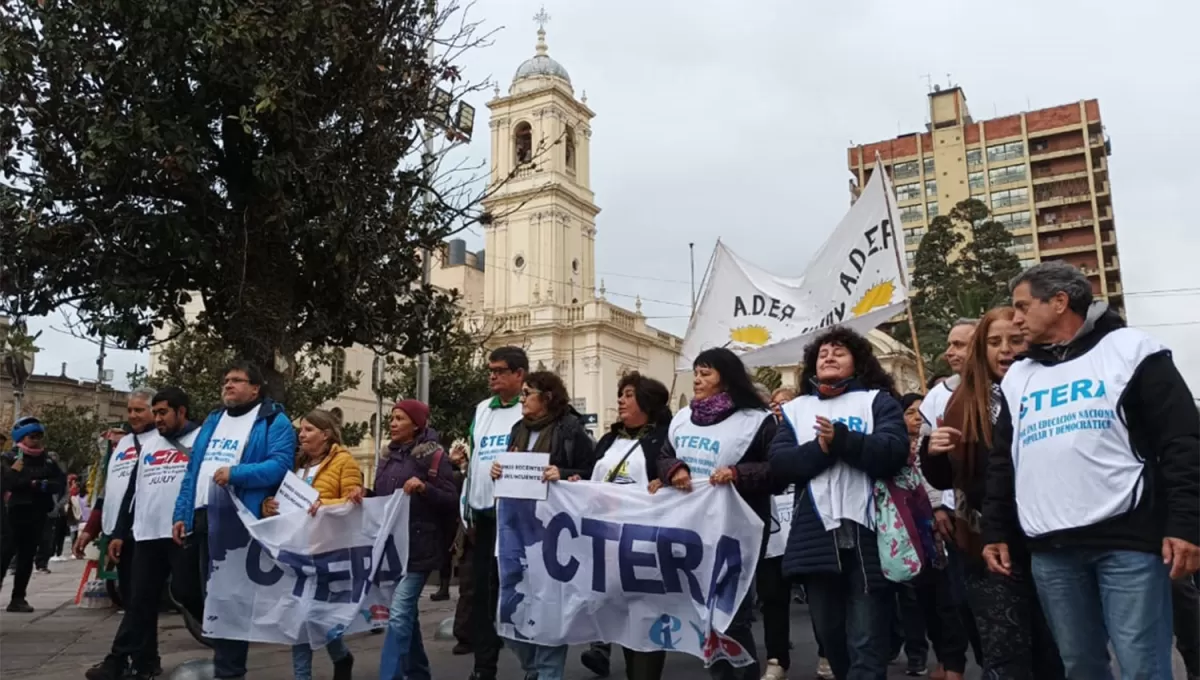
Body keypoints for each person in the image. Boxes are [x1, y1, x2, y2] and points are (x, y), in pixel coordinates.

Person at [983, 262, 1200, 679]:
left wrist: (1186, 525)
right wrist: (996, 531)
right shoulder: (1018, 379)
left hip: (1128, 543)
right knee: (1080, 666)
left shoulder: (1132, 350)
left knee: (1143, 666)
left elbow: (1180, 442)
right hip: (1051, 551)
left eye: (1023, 306)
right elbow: (1002, 463)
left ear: (1060, 302)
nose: (1015, 318)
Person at [921, 307, 1063, 679]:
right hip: (986, 546)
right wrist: (932, 451)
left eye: (1015, 340)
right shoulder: (963, 400)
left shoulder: (1055, 388)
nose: (1005, 350)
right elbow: (944, 478)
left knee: (1057, 651)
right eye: (994, 342)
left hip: (1052, 540)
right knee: (1004, 653)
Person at [768, 327, 909, 679]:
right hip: (816, 539)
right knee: (830, 637)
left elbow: (893, 452)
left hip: (867, 535)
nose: (829, 356)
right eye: (823, 353)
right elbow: (780, 466)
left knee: (865, 638)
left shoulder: (877, 401)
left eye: (839, 352)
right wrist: (822, 448)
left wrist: (842, 438)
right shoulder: (796, 410)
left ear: (858, 361)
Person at [171, 360, 297, 680]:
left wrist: (237, 474)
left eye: (237, 380)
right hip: (201, 516)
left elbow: (280, 466)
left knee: (228, 600)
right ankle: (223, 646)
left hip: (237, 521)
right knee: (185, 589)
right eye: (226, 380)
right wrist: (181, 513)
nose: (228, 385)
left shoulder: (273, 421)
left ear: (255, 388)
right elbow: (194, 470)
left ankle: (229, 669)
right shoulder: (214, 419)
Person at [656, 347, 776, 680]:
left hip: (736, 530)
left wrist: (738, 474)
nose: (697, 379)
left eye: (706, 373)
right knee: (706, 616)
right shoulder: (681, 419)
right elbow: (665, 455)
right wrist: (673, 469)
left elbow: (777, 470)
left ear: (726, 379)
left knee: (732, 615)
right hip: (691, 529)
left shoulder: (757, 421)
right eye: (696, 372)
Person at [85, 387, 200, 680]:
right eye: (156, 413)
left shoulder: (201, 439)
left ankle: (228, 649)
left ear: (181, 412)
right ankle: (125, 661)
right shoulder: (148, 445)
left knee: (189, 594)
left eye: (163, 413)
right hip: (145, 536)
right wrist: (120, 533)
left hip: (183, 534)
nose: (158, 419)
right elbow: (130, 494)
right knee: (138, 602)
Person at [491, 370, 596, 680]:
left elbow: (591, 474)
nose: (521, 399)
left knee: (550, 605)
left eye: (527, 393)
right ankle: (533, 667)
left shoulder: (571, 430)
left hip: (553, 533)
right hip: (517, 530)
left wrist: (562, 474)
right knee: (510, 608)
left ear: (547, 398)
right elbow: (510, 471)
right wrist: (499, 469)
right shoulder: (517, 429)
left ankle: (548, 672)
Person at [578, 372, 672, 680]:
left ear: (646, 401)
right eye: (621, 394)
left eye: (629, 394)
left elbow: (677, 478)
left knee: (644, 619)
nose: (620, 400)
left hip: (645, 545)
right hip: (607, 543)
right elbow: (592, 475)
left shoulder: (664, 438)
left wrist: (668, 481)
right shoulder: (608, 439)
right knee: (617, 615)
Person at [257, 409, 362, 680]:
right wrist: (268, 506)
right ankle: (312, 671)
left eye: (308, 430)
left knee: (314, 617)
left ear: (325, 434)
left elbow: (354, 504)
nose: (300, 435)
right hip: (297, 553)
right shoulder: (297, 465)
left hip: (327, 552)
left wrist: (322, 505)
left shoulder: (344, 462)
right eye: (300, 430)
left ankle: (339, 656)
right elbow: (285, 502)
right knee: (300, 618)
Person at [373, 400, 456, 680]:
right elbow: (381, 499)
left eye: (400, 418)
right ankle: (419, 673)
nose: (393, 423)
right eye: (392, 418)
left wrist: (424, 488)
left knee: (397, 614)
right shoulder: (387, 458)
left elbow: (450, 499)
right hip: (394, 548)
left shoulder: (434, 458)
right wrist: (360, 493)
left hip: (420, 547)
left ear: (416, 424)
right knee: (407, 615)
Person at [464, 347, 528, 680]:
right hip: (486, 517)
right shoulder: (482, 410)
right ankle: (483, 667)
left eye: (501, 371)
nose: (492, 376)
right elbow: (473, 463)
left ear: (519, 374)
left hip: (519, 521)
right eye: (490, 370)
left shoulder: (529, 409)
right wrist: (469, 511)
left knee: (521, 591)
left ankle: (535, 664)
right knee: (482, 594)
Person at [0, 416, 66, 612]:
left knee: (27, 556)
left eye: (39, 436)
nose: (36, 440)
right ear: (21, 437)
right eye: (32, 436)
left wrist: (45, 485)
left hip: (37, 513)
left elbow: (59, 481)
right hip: (13, 513)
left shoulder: (47, 459)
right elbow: (8, 481)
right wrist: (33, 483)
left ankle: (18, 598)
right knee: (4, 556)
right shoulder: (10, 457)